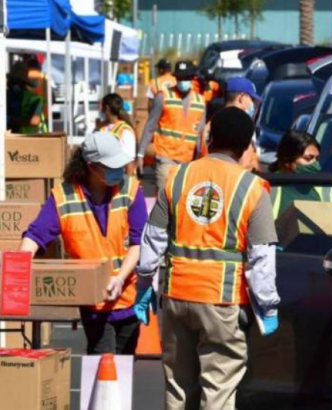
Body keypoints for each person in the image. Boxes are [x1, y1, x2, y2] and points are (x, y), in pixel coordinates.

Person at [135, 107, 279, 410]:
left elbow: (153, 238)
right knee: (218, 390)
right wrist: (267, 306)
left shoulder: (179, 175)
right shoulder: (252, 188)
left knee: (178, 389)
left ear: (209, 139)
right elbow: (261, 258)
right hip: (222, 303)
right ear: (245, 148)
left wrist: (144, 284)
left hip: (176, 297)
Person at [19, 132, 147, 354]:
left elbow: (139, 242)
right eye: (111, 166)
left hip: (129, 296)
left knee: (124, 373)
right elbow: (35, 236)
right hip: (94, 303)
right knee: (102, 364)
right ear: (91, 166)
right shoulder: (64, 197)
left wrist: (120, 278)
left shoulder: (131, 190)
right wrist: (17, 273)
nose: (119, 170)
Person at [137, 60, 207, 192]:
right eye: (180, 78)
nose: (182, 81)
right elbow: (150, 126)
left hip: (187, 161)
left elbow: (200, 134)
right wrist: (140, 154)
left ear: (192, 79)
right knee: (164, 198)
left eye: (186, 78)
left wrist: (200, 161)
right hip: (165, 157)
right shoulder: (163, 97)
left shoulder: (200, 101)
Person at [269, 130, 332, 218]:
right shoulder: (267, 189)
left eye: (317, 159)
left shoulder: (329, 193)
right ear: (287, 161)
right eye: (308, 158)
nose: (316, 166)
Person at [203, 77, 262, 170]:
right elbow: (244, 165)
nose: (253, 104)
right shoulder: (242, 126)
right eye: (252, 99)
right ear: (241, 98)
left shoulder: (210, 125)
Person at [98, 93, 137, 173]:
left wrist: (128, 182)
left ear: (107, 108)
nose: (101, 111)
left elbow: (129, 161)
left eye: (102, 108)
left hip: (118, 177)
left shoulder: (125, 130)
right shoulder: (102, 127)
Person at [7, 61, 46, 134]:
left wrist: (10, 120)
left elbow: (35, 120)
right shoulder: (6, 96)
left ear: (23, 83)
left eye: (17, 81)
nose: (14, 85)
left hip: (27, 139)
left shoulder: (34, 99)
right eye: (13, 81)